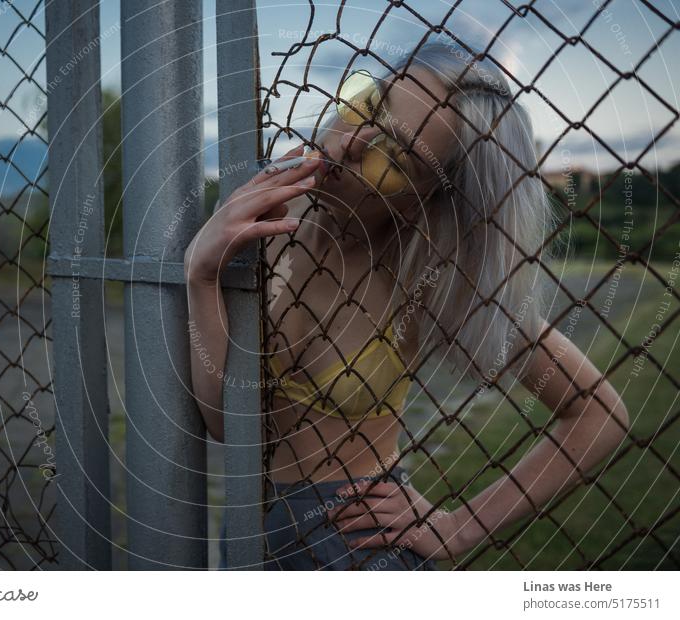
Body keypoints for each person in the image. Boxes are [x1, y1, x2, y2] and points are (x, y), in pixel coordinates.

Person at [184, 40, 630, 570]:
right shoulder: (268, 208)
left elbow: (599, 414)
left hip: (354, 548)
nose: (351, 143)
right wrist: (202, 275)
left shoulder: (428, 276)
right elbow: (225, 423)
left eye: (396, 155)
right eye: (369, 105)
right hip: (245, 533)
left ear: (429, 196)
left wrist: (459, 527)